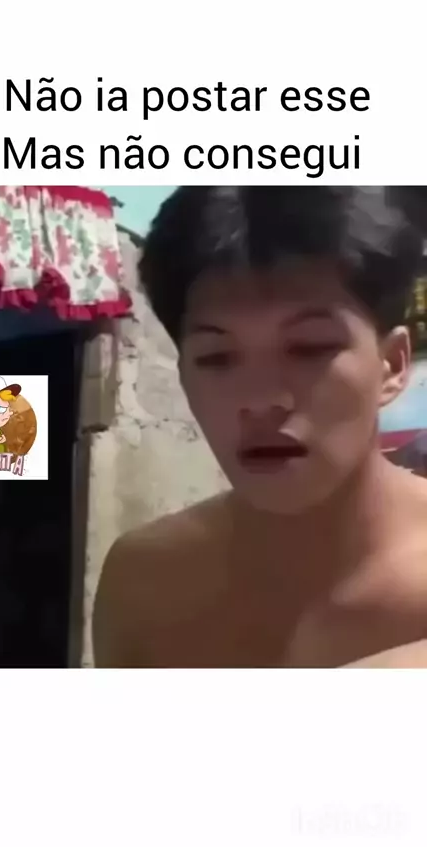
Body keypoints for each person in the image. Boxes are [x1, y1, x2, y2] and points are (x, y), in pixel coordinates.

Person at [93, 186, 427, 668]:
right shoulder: (143, 582)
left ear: (392, 365)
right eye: (217, 357)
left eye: (310, 347)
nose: (259, 399)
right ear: (183, 375)